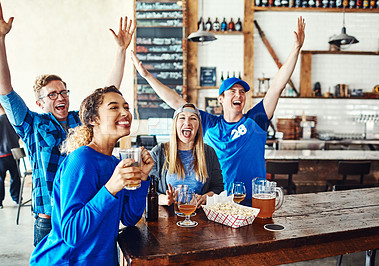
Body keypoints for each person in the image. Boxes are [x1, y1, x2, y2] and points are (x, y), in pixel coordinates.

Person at [0, 3, 134, 245]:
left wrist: (121, 51)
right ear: (40, 103)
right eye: (52, 95)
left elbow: (106, 96)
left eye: (63, 91)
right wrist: (0, 39)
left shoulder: (80, 119)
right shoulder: (32, 124)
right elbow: (5, 90)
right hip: (49, 219)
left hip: (85, 215)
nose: (60, 97)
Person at [132, 17, 306, 199]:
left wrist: (296, 49)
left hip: (253, 204)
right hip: (217, 203)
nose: (239, 95)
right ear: (221, 99)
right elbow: (176, 103)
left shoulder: (256, 120)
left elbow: (276, 87)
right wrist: (146, 76)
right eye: (232, 91)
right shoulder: (209, 123)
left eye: (242, 92)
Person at [30, 86, 154, 265]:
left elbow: (128, 217)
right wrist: (110, 188)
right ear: (93, 119)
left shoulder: (113, 163)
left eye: (126, 107)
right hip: (68, 261)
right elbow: (72, 234)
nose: (125, 112)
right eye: (114, 107)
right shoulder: (81, 161)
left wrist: (141, 180)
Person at [149, 103, 224, 208]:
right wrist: (166, 199)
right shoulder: (159, 152)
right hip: (167, 217)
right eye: (182, 118)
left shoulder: (209, 152)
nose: (187, 122)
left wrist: (205, 197)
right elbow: (147, 191)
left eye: (193, 118)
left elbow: (218, 187)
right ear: (175, 123)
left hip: (198, 217)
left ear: (198, 125)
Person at [0, 103, 20, 208]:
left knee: (0, 179)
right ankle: (17, 198)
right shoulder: (12, 119)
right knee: (15, 177)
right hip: (14, 154)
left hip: (1, 156)